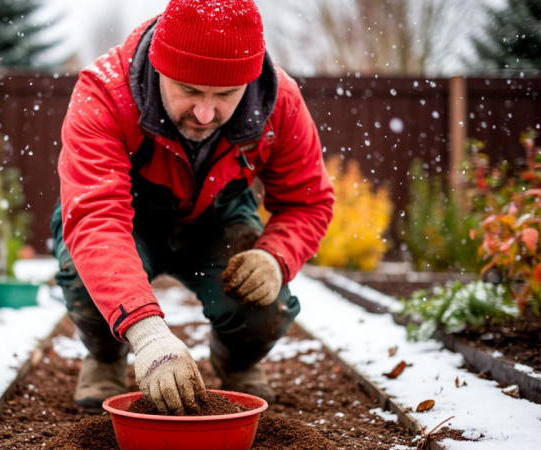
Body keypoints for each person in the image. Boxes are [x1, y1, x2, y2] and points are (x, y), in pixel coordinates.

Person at [50, 0, 335, 415]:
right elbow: (97, 218)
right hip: (124, 217)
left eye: (225, 95)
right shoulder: (105, 93)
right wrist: (146, 333)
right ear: (158, 65)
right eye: (188, 91)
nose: (205, 113)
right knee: (87, 276)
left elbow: (307, 201)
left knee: (263, 306)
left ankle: (236, 359)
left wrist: (275, 258)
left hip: (217, 218)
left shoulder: (280, 103)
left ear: (249, 82)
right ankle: (105, 356)